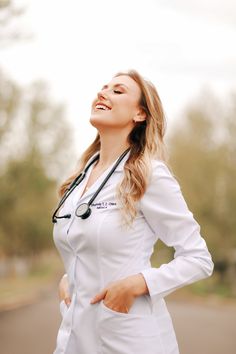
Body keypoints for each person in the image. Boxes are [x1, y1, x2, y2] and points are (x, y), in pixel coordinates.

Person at [52, 69, 214, 354]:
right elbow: (82, 248)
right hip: (74, 340)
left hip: (129, 341)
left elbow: (198, 259)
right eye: (103, 87)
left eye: (118, 90)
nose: (103, 93)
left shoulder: (149, 175)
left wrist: (139, 283)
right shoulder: (77, 181)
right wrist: (69, 278)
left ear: (140, 114)